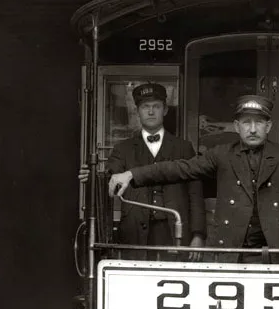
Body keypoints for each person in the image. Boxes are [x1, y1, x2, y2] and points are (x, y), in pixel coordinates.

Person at [107, 94, 279, 254]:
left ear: (268, 127)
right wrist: (132, 174)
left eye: (259, 123)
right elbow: (180, 168)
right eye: (246, 123)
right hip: (228, 251)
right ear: (236, 126)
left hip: (274, 251)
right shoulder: (221, 154)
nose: (252, 129)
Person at [81, 82, 205, 257]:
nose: (151, 111)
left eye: (156, 106)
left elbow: (195, 194)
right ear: (137, 111)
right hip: (135, 235)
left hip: (174, 233)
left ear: (165, 110)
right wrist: (92, 178)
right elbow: (110, 178)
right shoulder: (123, 149)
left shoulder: (183, 148)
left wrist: (198, 235)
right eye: (145, 107)